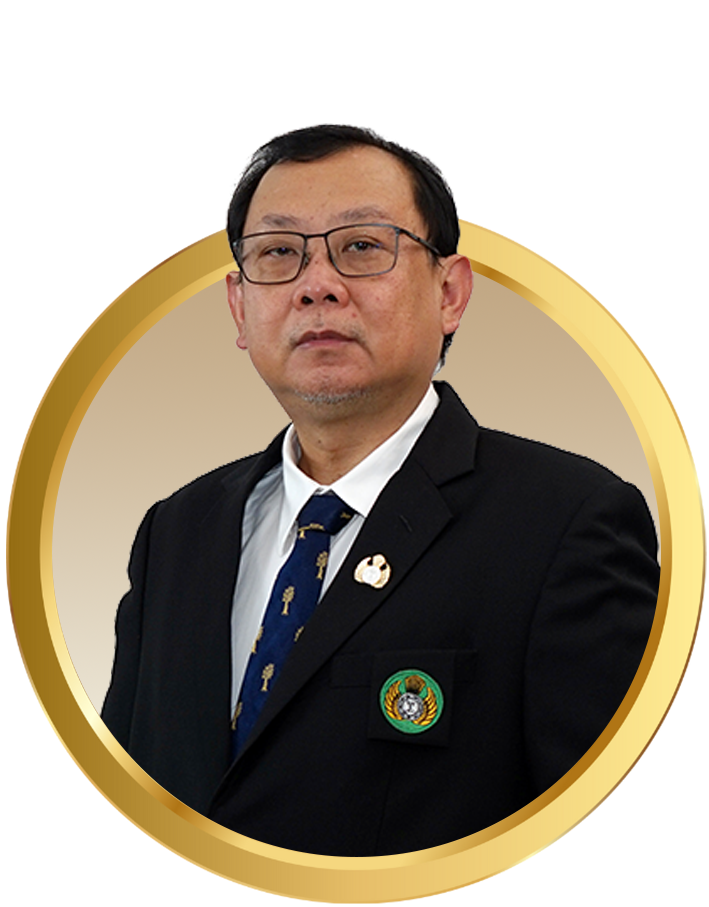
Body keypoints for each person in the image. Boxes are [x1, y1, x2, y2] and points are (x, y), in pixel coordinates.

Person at [101, 124, 659, 857]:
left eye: (363, 246)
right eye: (278, 253)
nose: (316, 285)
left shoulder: (567, 523)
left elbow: (607, 850)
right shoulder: (177, 529)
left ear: (450, 293)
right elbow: (113, 816)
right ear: (239, 307)